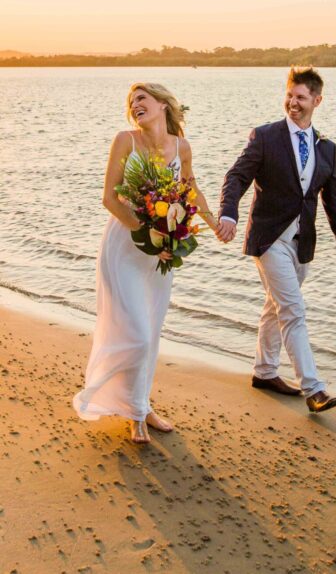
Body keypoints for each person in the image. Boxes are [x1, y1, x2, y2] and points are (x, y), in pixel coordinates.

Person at [73, 83, 217, 443]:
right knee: (134, 332)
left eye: (142, 98)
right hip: (125, 246)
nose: (135, 105)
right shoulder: (125, 140)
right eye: (131, 101)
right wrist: (148, 232)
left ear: (162, 105)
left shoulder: (182, 147)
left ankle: (140, 405)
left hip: (160, 254)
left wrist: (214, 223)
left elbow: (190, 190)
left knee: (150, 331)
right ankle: (131, 411)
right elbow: (110, 197)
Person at [216, 66, 336, 413]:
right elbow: (237, 176)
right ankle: (314, 388)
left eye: (300, 97)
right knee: (293, 310)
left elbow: (333, 199)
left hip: (302, 243)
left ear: (317, 100)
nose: (292, 103)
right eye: (289, 95)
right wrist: (228, 213)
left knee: (275, 306)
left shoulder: (326, 148)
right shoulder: (265, 136)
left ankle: (264, 372)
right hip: (268, 239)